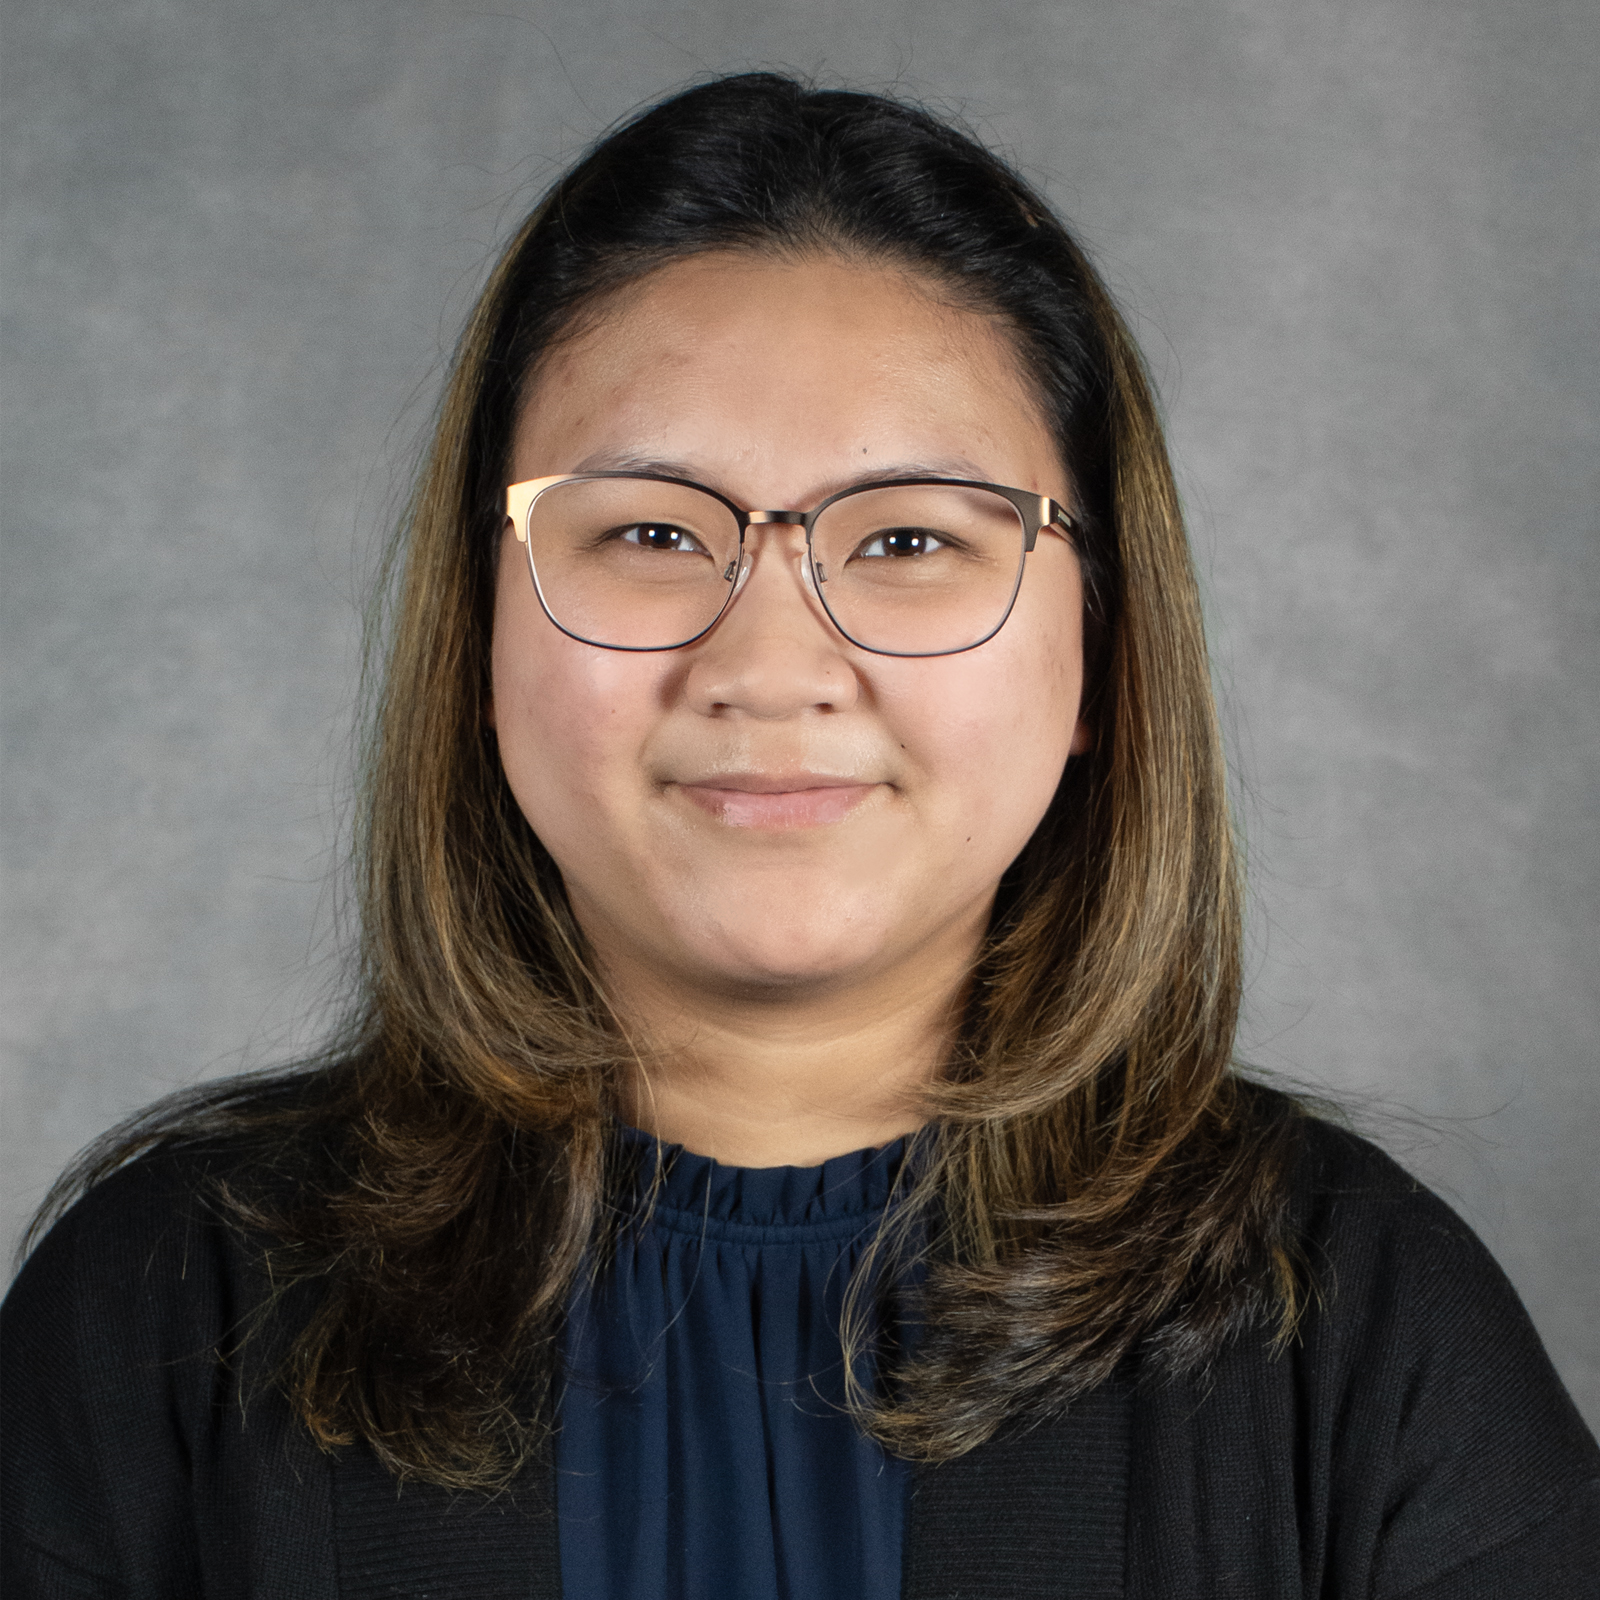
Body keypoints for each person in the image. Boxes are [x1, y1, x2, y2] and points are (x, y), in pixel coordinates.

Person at [2, 71, 1596, 1600]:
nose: (767, 668)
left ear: (1102, 652)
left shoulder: (1368, 1330)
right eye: (647, 531)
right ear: (477, 644)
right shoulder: (161, 1313)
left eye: (909, 537)